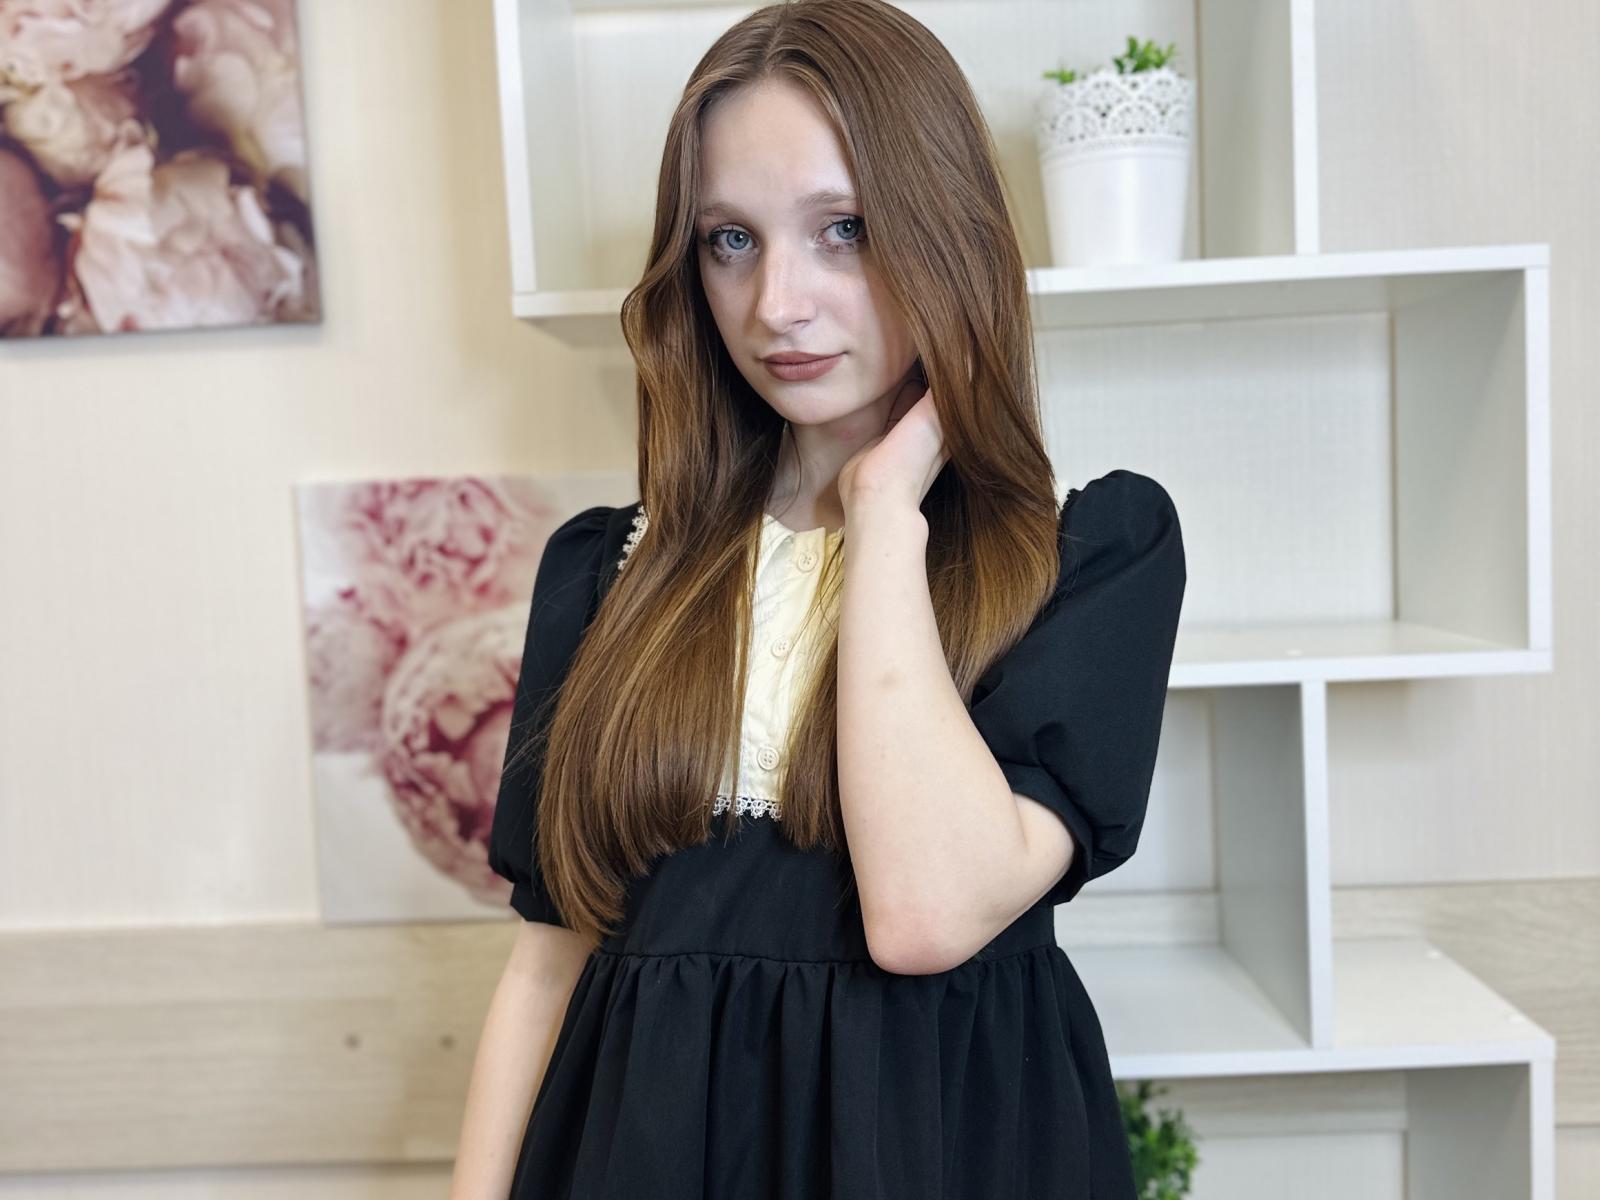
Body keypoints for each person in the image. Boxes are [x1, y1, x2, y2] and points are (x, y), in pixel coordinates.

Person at [449, 2, 1186, 1197]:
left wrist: (886, 510)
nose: (775, 303)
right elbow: (545, 962)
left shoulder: (1087, 558)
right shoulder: (607, 571)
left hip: (943, 1159)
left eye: (842, 229)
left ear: (945, 233)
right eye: (728, 240)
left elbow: (924, 917)